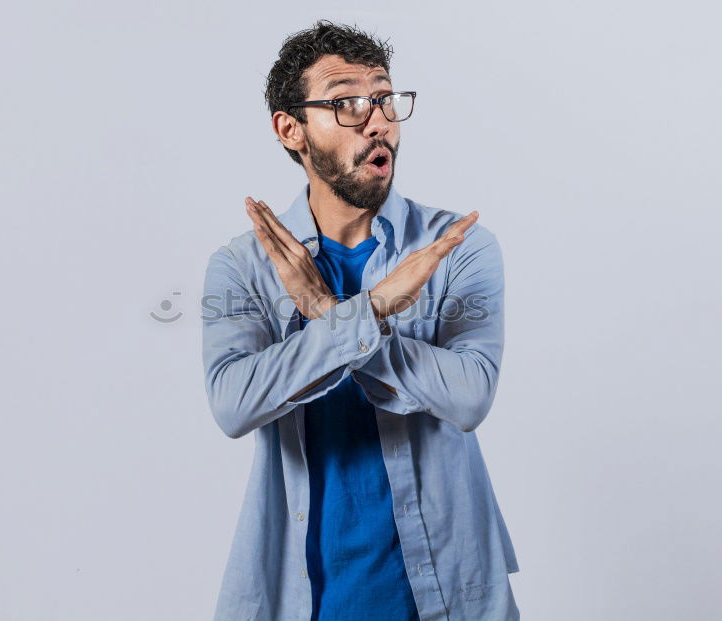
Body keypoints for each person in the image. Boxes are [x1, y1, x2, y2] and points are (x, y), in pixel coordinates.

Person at [201, 19, 520, 621]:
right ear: (290, 129)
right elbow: (233, 405)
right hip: (302, 598)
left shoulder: (455, 249)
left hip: (446, 592)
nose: (378, 121)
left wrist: (329, 313)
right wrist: (370, 312)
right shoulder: (243, 267)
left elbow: (471, 397)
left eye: (384, 98)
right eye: (346, 102)